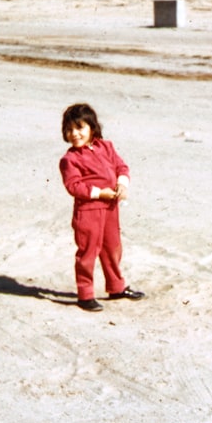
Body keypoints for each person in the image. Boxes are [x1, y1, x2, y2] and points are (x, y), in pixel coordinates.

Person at [59, 103, 145, 312]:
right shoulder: (69, 159)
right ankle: (85, 294)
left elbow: (121, 167)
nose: (75, 134)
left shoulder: (106, 147)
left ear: (92, 128)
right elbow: (74, 186)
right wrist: (99, 192)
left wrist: (121, 184)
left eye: (80, 128)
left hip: (110, 208)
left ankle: (116, 286)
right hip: (88, 211)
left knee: (112, 247)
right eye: (69, 129)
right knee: (88, 251)